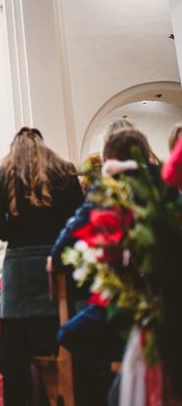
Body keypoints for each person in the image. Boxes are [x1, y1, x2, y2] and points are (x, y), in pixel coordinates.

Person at [52, 128, 154, 405]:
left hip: (128, 304)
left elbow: (62, 245)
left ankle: (122, 381)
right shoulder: (164, 183)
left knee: (69, 333)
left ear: (109, 160)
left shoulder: (108, 187)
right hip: (169, 303)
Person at [0, 127, 83, 406]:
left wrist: (14, 235)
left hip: (19, 270)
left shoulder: (3, 175)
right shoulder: (65, 171)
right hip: (58, 266)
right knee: (59, 339)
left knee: (17, 350)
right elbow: (79, 217)